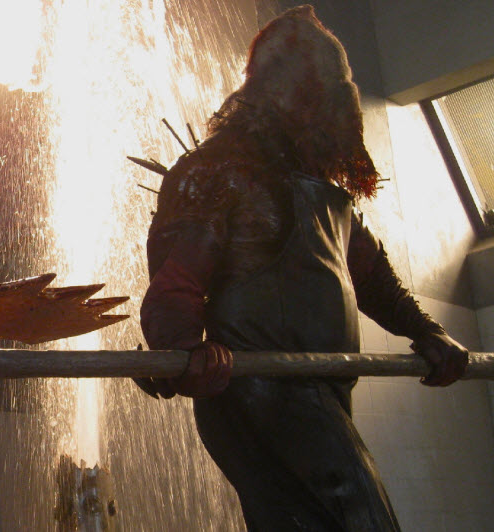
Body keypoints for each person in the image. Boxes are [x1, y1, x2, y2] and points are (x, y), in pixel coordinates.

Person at [135, 5, 469, 531]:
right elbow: (178, 279)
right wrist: (179, 349)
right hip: (259, 388)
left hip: (320, 390)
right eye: (321, 90)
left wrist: (426, 331)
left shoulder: (324, 194)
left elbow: (372, 278)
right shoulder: (223, 170)